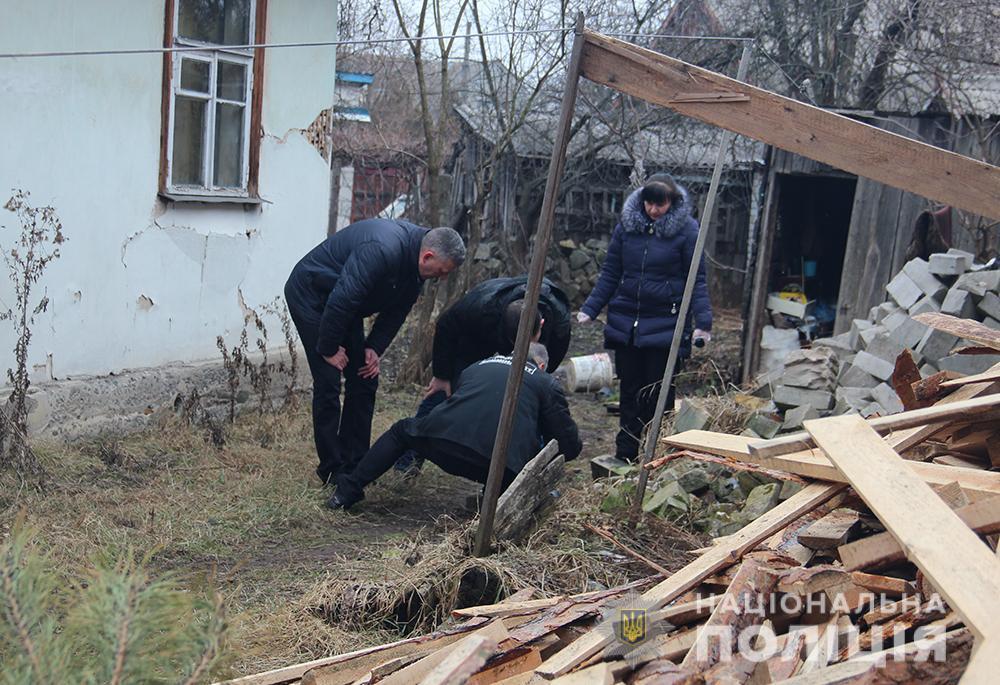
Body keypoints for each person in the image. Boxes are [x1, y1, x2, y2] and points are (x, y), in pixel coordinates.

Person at [284, 219, 466, 484]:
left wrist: (373, 348)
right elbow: (343, 298)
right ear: (428, 256)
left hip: (343, 304)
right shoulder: (383, 248)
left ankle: (355, 464)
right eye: (441, 272)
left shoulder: (416, 268)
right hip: (312, 296)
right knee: (329, 382)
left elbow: (396, 312)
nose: (442, 278)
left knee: (365, 376)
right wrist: (328, 348)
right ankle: (332, 469)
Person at [327, 343, 582, 510]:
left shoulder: (478, 366)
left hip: (441, 442)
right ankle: (493, 502)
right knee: (534, 453)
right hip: (498, 468)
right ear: (541, 365)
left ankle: (347, 492)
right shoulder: (545, 382)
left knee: (401, 431)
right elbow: (567, 446)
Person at [577, 174, 712, 462]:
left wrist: (703, 323)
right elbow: (611, 272)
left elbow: (696, 280)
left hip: (666, 324)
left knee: (658, 395)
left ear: (672, 202)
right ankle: (625, 454)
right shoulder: (627, 228)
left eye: (659, 204)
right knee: (629, 392)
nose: (653, 210)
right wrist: (591, 307)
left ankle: (656, 456)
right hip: (627, 324)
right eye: (649, 203)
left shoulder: (687, 231)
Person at [394, 275, 571, 475]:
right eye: (514, 343)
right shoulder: (481, 308)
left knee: (534, 400)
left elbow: (546, 373)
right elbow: (445, 325)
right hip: (475, 343)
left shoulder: (558, 327)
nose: (516, 350)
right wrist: (442, 375)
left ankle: (526, 471)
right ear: (506, 331)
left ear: (542, 325)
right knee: (442, 391)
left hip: (524, 347)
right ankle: (407, 463)